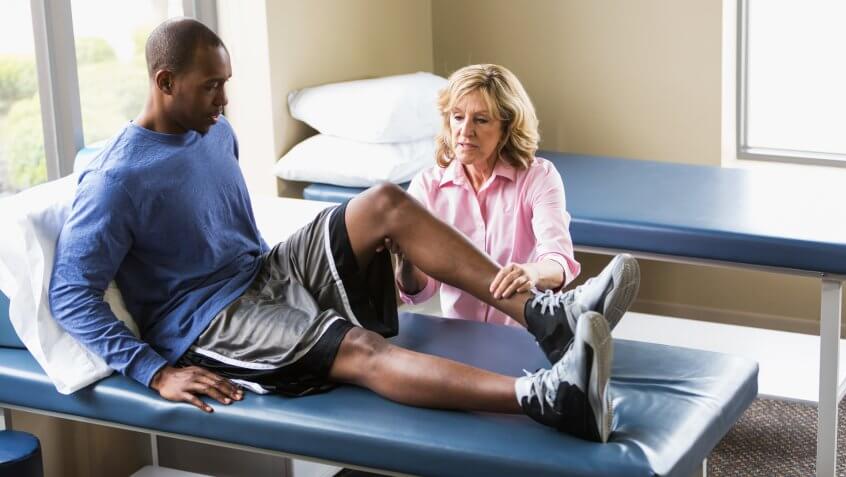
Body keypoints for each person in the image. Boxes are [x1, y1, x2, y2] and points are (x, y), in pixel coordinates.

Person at [49, 19, 624, 443]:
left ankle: (547, 316)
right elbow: (71, 295)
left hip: (266, 271)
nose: (224, 100)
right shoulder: (116, 179)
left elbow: (232, 236)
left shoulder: (214, 131)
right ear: (165, 81)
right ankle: (549, 397)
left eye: (226, 84)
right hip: (212, 320)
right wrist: (155, 372)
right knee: (361, 348)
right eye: (210, 87)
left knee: (385, 203)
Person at [395, 64, 640, 335]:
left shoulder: (538, 177)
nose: (465, 131)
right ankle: (569, 312)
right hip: (462, 335)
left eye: (481, 120)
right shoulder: (427, 186)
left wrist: (532, 272)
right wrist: (406, 260)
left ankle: (562, 313)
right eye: (457, 117)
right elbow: (419, 293)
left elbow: (558, 261)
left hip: (524, 334)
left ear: (507, 126)